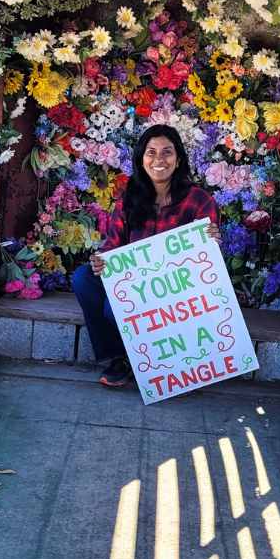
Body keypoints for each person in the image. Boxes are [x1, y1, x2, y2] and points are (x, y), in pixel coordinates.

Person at [72, 125, 220, 387]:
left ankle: (152, 362)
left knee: (111, 309)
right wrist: (101, 260)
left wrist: (212, 241)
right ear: (142, 159)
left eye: (167, 152)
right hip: (134, 285)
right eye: (151, 152)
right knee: (83, 278)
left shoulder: (199, 200)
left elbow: (207, 259)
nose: (159, 160)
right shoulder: (129, 198)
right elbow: (113, 245)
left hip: (176, 293)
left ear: (179, 159)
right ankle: (116, 358)